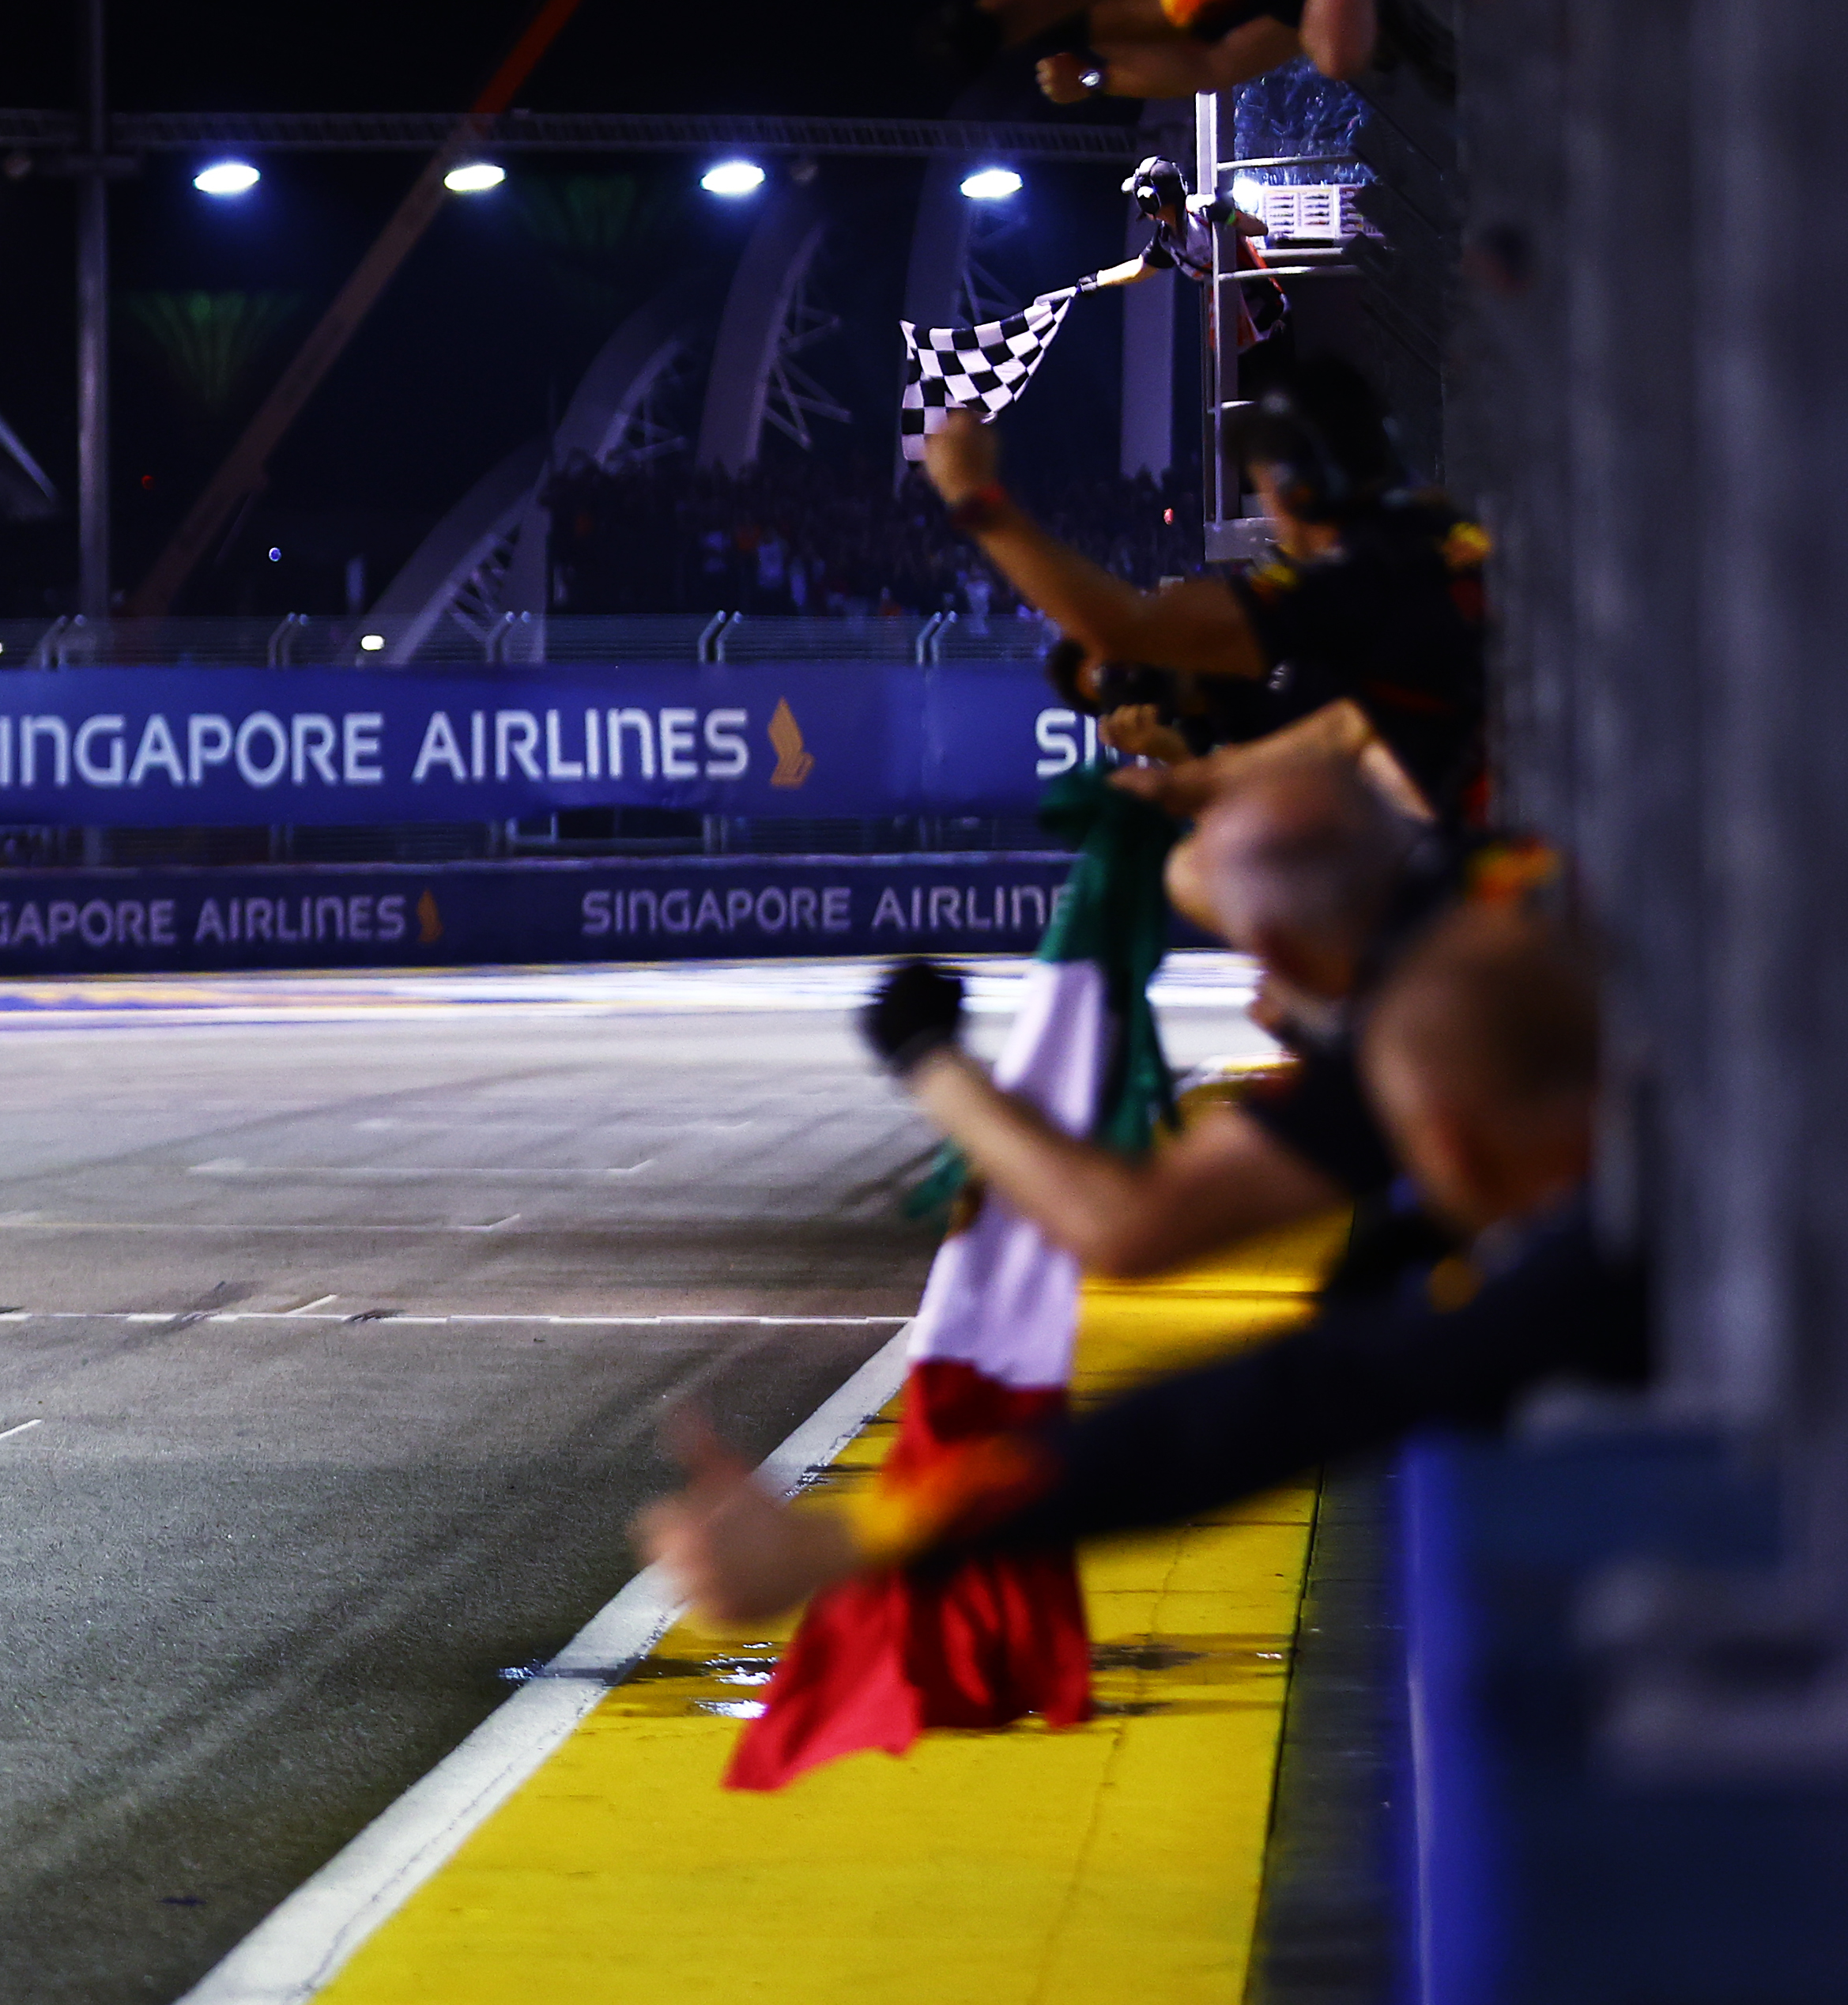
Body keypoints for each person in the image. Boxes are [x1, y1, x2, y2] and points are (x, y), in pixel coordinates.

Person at [645, 901, 1635, 1624]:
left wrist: (851, 1537)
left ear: (1450, 1147)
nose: (1259, 1005)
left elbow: (1223, 1422)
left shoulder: (1593, 1273)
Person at [865, 755, 1447, 1289]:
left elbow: (1128, 1226)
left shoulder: (1405, 1034)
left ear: (1284, 954)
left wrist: (925, 1052)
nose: (1259, 1003)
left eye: (1256, 960)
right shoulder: (1474, 894)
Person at [922, 353, 1488, 823]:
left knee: (1199, 870)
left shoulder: (1354, 579)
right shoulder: (1417, 533)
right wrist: (1186, 763)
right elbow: (1339, 730)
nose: (1133, 672)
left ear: (1299, 487)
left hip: (1488, 846)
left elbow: (1127, 628)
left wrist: (973, 497)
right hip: (1488, 816)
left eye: (1264, 488)